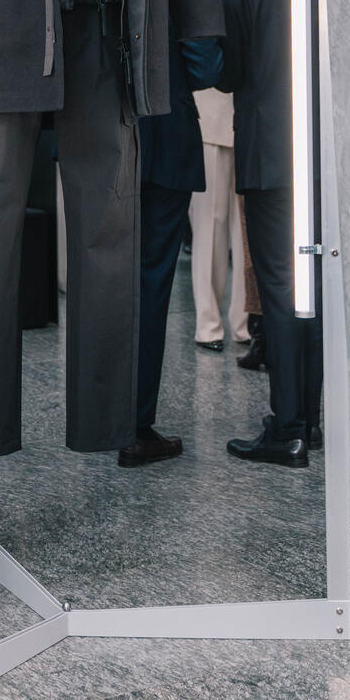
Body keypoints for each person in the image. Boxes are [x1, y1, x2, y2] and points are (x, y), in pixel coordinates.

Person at [216, 0, 323, 469]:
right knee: (317, 287)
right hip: (320, 154)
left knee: (279, 290)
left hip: (269, 154)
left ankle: (287, 428)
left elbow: (227, 74)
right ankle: (315, 416)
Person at [119, 25, 222, 467]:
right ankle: (135, 428)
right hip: (164, 138)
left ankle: (98, 419)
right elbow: (205, 67)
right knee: (151, 284)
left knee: (105, 284)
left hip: (101, 137)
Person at [189, 86, 250, 353]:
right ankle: (208, 322)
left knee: (248, 230)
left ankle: (245, 321)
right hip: (210, 114)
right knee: (209, 224)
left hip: (250, 114)